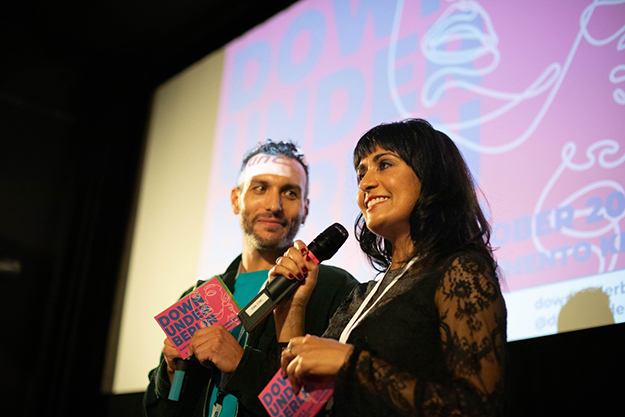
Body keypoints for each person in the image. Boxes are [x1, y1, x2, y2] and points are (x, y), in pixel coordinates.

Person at [271, 119, 508, 416]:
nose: (365, 183)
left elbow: (478, 408)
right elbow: (296, 408)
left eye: (384, 164)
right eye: (361, 172)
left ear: (430, 176)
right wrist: (292, 310)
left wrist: (350, 363)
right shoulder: (361, 297)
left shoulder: (461, 272)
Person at [143, 140, 358, 417]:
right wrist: (171, 372)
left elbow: (323, 406)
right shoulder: (199, 295)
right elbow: (159, 411)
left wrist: (242, 364)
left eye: (290, 193)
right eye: (260, 188)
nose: (274, 205)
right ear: (236, 199)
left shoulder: (336, 290)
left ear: (305, 209)